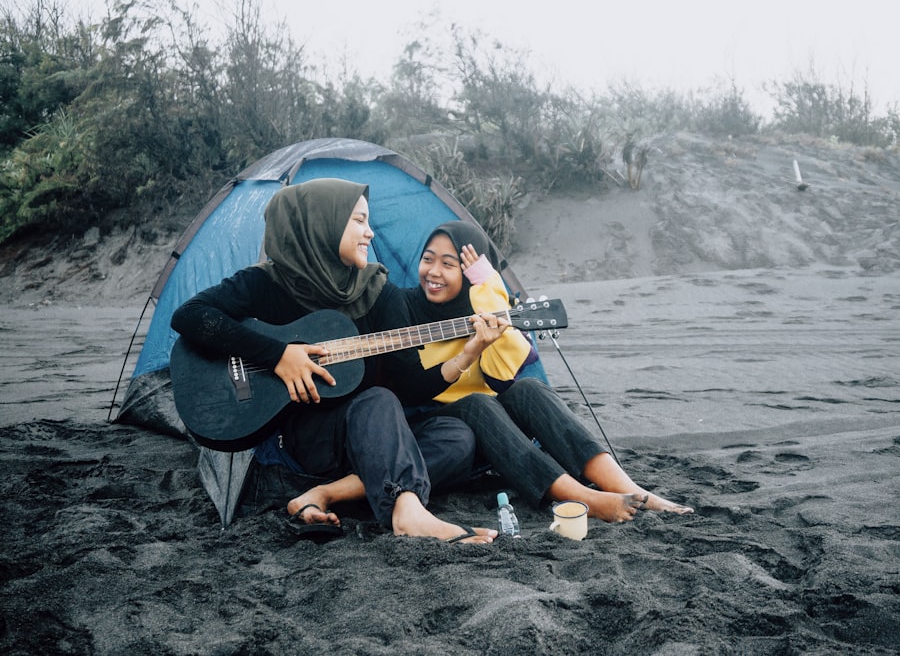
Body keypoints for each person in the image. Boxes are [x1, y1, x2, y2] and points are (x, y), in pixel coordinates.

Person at [170, 179, 496, 544]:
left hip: (374, 434)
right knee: (378, 399)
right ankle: (408, 513)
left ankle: (327, 494)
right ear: (322, 223)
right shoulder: (265, 283)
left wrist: (469, 351)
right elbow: (190, 316)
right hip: (306, 439)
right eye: (358, 221)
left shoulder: (378, 292)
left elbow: (411, 385)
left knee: (456, 437)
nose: (370, 233)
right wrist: (276, 355)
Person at [399, 220, 695, 523]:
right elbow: (408, 387)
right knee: (478, 402)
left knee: (529, 389)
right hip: (441, 434)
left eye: (448, 264)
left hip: (493, 434)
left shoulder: (480, 303)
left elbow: (501, 376)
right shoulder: (403, 305)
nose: (433, 272)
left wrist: (489, 289)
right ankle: (585, 498)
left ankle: (632, 490)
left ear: (471, 275)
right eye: (428, 259)